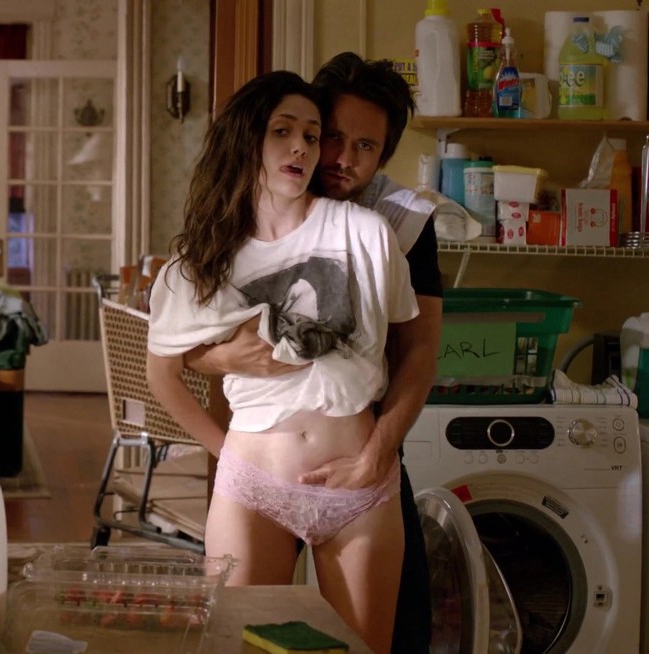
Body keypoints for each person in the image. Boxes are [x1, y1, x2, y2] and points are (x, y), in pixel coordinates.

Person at [145, 70, 420, 654]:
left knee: (362, 649)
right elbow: (162, 376)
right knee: (239, 646)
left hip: (358, 485)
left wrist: (379, 452)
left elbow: (412, 350)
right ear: (248, 139)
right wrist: (227, 453)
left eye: (312, 136)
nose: (302, 147)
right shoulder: (201, 262)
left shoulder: (368, 234)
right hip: (253, 486)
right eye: (283, 131)